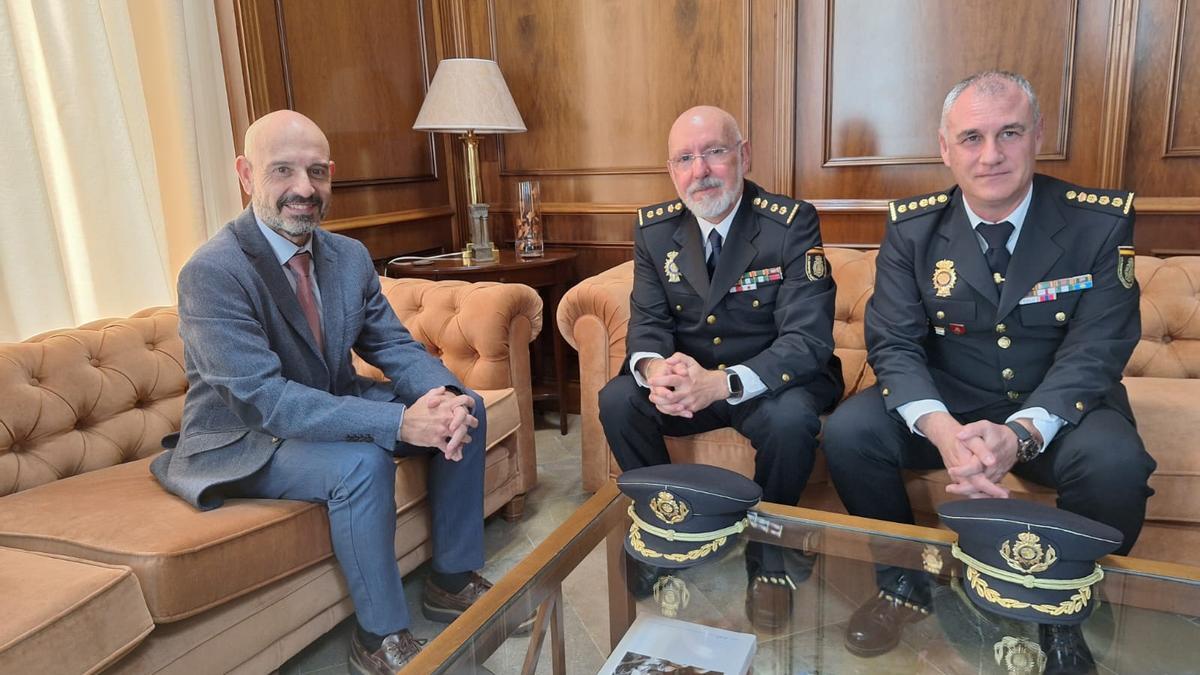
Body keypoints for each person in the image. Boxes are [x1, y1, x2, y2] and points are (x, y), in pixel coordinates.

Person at [821, 71, 1155, 672]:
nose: (991, 154)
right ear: (946, 149)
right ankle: (902, 585)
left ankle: (1065, 612)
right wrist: (945, 433)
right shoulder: (914, 226)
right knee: (849, 433)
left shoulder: (1097, 222)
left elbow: (1098, 345)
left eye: (1009, 133)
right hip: (951, 400)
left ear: (1037, 137)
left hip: (1058, 405)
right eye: (971, 138)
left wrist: (1023, 432)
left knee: (1118, 465)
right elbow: (894, 342)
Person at [150, 110, 500, 674]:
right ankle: (378, 636)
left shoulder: (347, 256)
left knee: (469, 406)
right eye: (282, 170)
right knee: (360, 463)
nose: (303, 189)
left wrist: (442, 395)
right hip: (247, 436)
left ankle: (451, 578)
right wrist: (396, 423)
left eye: (316, 172)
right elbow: (265, 400)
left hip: (326, 405)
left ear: (331, 175)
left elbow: (390, 345)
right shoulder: (213, 272)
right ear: (245, 174)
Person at [598, 105, 844, 629]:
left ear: (743, 155)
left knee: (791, 421)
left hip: (766, 385)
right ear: (671, 170)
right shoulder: (655, 231)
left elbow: (807, 339)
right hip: (691, 384)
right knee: (618, 400)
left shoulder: (791, 224)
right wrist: (654, 371)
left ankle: (767, 556)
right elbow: (648, 321)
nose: (700, 171)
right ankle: (665, 528)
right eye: (685, 158)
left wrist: (723, 382)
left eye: (713, 152)